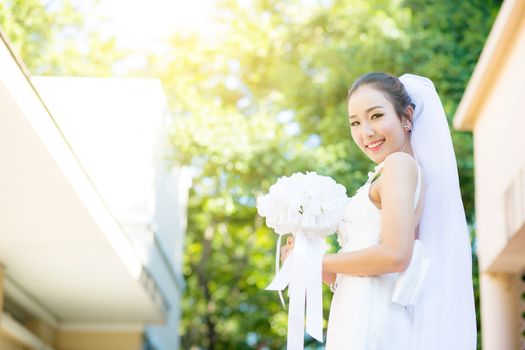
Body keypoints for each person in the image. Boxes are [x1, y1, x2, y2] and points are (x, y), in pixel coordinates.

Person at [280, 73, 477, 349]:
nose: (366, 132)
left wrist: (316, 261)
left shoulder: (399, 164)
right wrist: (308, 262)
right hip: (356, 312)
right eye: (356, 122)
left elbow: (394, 255)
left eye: (376, 116)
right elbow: (367, 270)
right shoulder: (391, 171)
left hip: (371, 321)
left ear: (406, 117)